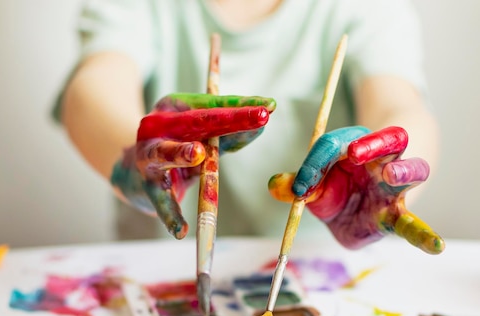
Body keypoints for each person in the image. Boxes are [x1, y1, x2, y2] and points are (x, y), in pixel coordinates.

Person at [56, 0, 444, 255]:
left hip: (315, 272)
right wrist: (135, 154)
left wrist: (389, 167)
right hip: (160, 271)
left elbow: (399, 104)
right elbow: (95, 87)